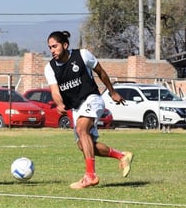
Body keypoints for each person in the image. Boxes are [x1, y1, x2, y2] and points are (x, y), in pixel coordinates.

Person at [44, 31, 133, 189]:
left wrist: (112, 92)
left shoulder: (82, 55)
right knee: (84, 144)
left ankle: (90, 176)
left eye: (55, 46)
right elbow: (55, 91)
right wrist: (59, 104)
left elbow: (101, 72)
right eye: (50, 47)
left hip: (92, 99)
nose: (52, 50)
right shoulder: (50, 68)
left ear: (65, 45)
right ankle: (122, 156)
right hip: (77, 107)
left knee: (81, 128)